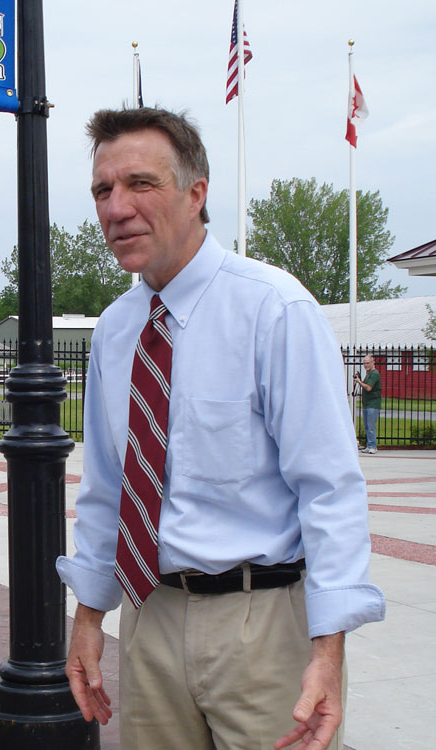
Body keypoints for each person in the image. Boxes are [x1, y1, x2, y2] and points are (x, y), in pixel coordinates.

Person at [56, 108, 385, 750]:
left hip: (263, 626)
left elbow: (330, 489)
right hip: (150, 618)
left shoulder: (274, 311)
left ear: (197, 193)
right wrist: (89, 617)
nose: (116, 208)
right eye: (103, 189)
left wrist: (328, 653)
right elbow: (109, 486)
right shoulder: (116, 331)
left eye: (140, 184)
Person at [354, 354, 381, 454]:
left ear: (373, 363)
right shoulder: (369, 374)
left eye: (368, 363)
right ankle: (369, 445)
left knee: (370, 426)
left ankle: (373, 446)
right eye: (364, 363)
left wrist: (359, 381)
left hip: (373, 404)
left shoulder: (374, 374)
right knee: (367, 426)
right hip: (367, 404)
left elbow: (369, 387)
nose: (366, 365)